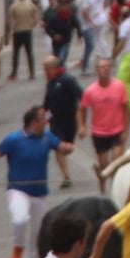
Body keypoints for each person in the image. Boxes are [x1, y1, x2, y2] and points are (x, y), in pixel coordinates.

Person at [0, 106, 73, 258]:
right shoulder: (14, 140)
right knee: (20, 218)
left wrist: (68, 148)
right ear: (34, 123)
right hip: (18, 189)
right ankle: (18, 248)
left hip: (40, 192)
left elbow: (61, 147)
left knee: (38, 229)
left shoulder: (47, 137)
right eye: (43, 119)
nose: (47, 122)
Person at [81, 57, 129, 184]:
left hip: (117, 130)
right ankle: (102, 188)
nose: (105, 70)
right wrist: (81, 126)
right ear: (97, 70)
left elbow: (126, 108)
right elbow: (82, 108)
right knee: (104, 165)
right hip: (99, 132)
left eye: (108, 67)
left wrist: (126, 130)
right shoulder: (90, 91)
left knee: (117, 162)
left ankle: (116, 187)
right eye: (102, 67)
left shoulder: (119, 86)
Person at [43, 58, 83, 189]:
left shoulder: (68, 80)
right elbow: (47, 102)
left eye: (46, 69)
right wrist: (42, 115)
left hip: (70, 119)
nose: (45, 72)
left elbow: (81, 95)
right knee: (59, 147)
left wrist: (81, 120)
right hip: (56, 121)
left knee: (68, 148)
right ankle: (66, 177)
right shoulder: (50, 83)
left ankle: (66, 154)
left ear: (53, 68)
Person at [9, 0, 40, 76]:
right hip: (27, 31)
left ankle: (14, 73)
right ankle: (32, 73)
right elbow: (36, 18)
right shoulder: (31, 5)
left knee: (16, 53)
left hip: (17, 31)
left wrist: (11, 30)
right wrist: (31, 25)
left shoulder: (14, 6)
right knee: (29, 53)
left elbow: (12, 20)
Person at [45, 0, 77, 71]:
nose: (65, 7)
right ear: (60, 7)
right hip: (56, 42)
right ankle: (59, 71)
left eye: (66, 5)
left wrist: (79, 35)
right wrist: (53, 35)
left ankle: (62, 72)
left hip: (66, 40)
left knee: (61, 57)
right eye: (63, 5)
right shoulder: (54, 17)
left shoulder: (70, 16)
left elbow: (77, 24)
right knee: (57, 58)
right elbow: (47, 28)